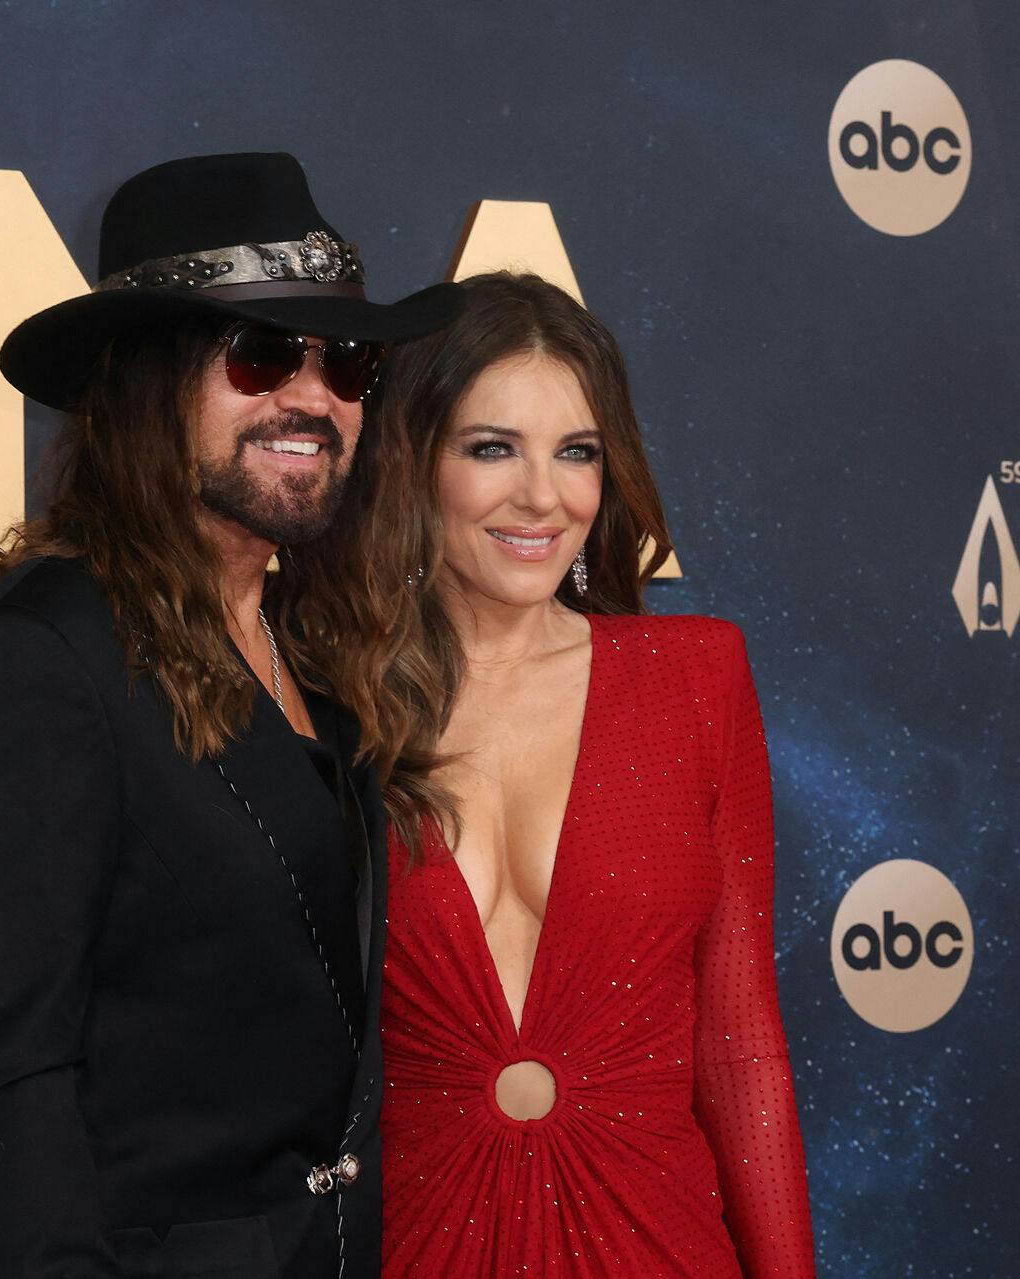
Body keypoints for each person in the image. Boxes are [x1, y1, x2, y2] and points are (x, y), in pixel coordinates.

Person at [0, 152, 461, 1277]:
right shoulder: (33, 667)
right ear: (141, 381)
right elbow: (10, 1101)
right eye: (258, 354)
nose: (313, 396)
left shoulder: (315, 655)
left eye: (344, 361)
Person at [369, 271, 815, 1276]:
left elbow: (741, 1049)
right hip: (412, 1241)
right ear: (410, 460)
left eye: (578, 452)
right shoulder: (327, 695)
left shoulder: (695, 679)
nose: (544, 496)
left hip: (657, 1239)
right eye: (493, 448)